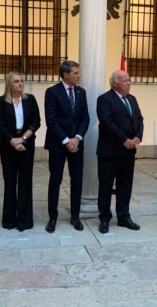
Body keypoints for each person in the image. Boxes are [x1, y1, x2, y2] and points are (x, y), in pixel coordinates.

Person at [44, 60, 89, 233]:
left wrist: (77, 138)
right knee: (55, 180)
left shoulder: (81, 92)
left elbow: (85, 117)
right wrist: (66, 140)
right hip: (58, 144)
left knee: (77, 180)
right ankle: (52, 217)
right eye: (76, 73)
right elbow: (51, 120)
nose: (79, 76)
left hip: (77, 144)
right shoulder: (52, 92)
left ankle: (75, 216)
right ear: (65, 74)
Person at [96, 70, 143, 234]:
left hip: (128, 152)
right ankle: (104, 218)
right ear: (115, 83)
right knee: (105, 186)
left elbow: (140, 120)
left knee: (125, 185)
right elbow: (107, 123)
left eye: (129, 80)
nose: (129, 83)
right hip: (109, 152)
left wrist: (138, 137)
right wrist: (124, 140)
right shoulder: (104, 99)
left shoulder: (132, 99)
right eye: (125, 81)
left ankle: (123, 217)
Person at [0, 72, 41, 231]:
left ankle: (24, 220)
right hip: (8, 144)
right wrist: (12, 140)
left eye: (22, 81)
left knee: (25, 181)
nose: (20, 84)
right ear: (10, 84)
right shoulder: (1, 101)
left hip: (26, 143)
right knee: (10, 181)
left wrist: (23, 139)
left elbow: (36, 121)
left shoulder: (30, 99)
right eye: (16, 81)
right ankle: (9, 220)